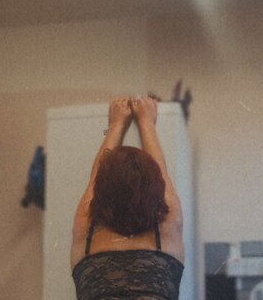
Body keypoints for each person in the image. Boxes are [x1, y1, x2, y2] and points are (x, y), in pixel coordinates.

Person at [71, 97, 185, 300]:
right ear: (156, 188)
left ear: (102, 189)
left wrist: (116, 125)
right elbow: (161, 174)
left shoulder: (87, 228)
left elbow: (96, 177)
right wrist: (146, 123)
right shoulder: (168, 227)